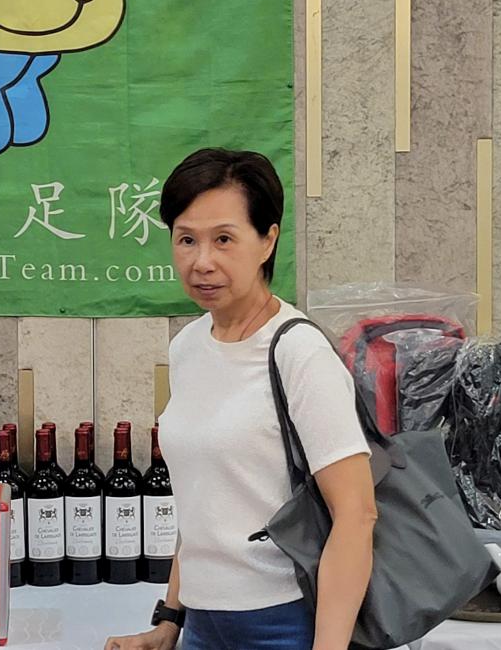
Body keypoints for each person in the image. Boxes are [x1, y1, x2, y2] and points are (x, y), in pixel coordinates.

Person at [106, 148, 377, 650]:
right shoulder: (188, 347)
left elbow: (357, 515)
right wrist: (170, 621)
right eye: (186, 239)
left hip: (285, 623)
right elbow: (201, 502)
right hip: (201, 626)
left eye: (224, 239)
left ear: (267, 240)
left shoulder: (299, 352)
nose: (202, 262)